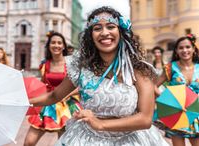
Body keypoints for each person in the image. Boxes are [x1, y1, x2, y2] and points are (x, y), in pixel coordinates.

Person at [29, 6, 169, 145]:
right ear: (91, 36)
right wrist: (24, 100)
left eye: (110, 26)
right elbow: (54, 96)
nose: (104, 32)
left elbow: (145, 119)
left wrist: (100, 124)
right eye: (97, 28)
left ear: (121, 32)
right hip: (85, 139)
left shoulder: (139, 70)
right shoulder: (81, 68)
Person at [24, 31, 82, 146]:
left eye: (59, 43)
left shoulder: (71, 63)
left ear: (64, 46)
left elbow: (81, 85)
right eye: (53, 43)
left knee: (63, 143)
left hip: (67, 106)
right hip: (47, 104)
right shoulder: (44, 64)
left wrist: (67, 94)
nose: (56, 45)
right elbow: (43, 84)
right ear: (49, 45)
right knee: (29, 142)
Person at [155, 34, 199, 146]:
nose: (185, 50)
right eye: (181, 48)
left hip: (196, 112)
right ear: (176, 51)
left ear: (193, 49)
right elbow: (153, 86)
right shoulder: (170, 67)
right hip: (177, 113)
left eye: (188, 47)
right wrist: (166, 100)